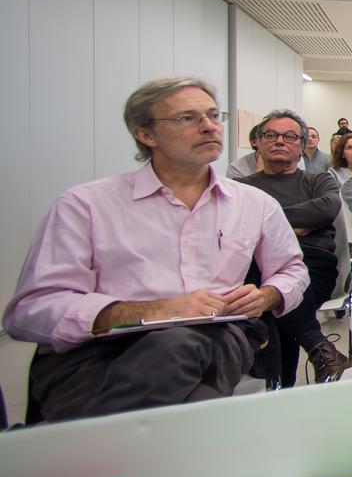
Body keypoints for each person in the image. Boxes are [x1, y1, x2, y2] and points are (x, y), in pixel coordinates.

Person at [3, 77, 307, 422]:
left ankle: (75, 452)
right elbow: (29, 311)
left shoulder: (255, 204)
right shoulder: (85, 205)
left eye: (212, 115)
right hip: (101, 348)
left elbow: (293, 271)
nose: (208, 127)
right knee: (192, 406)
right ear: (145, 134)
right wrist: (148, 310)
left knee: (180, 345)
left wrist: (269, 294)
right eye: (187, 118)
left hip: (215, 337)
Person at [236, 110, 351, 385]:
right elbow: (234, 229)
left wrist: (265, 223)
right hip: (256, 272)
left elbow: (325, 210)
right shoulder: (239, 187)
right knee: (266, 295)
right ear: (258, 142)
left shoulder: (318, 180)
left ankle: (275, 386)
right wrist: (296, 225)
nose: (279, 141)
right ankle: (316, 349)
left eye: (289, 137)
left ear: (301, 146)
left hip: (313, 267)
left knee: (270, 293)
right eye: (271, 135)